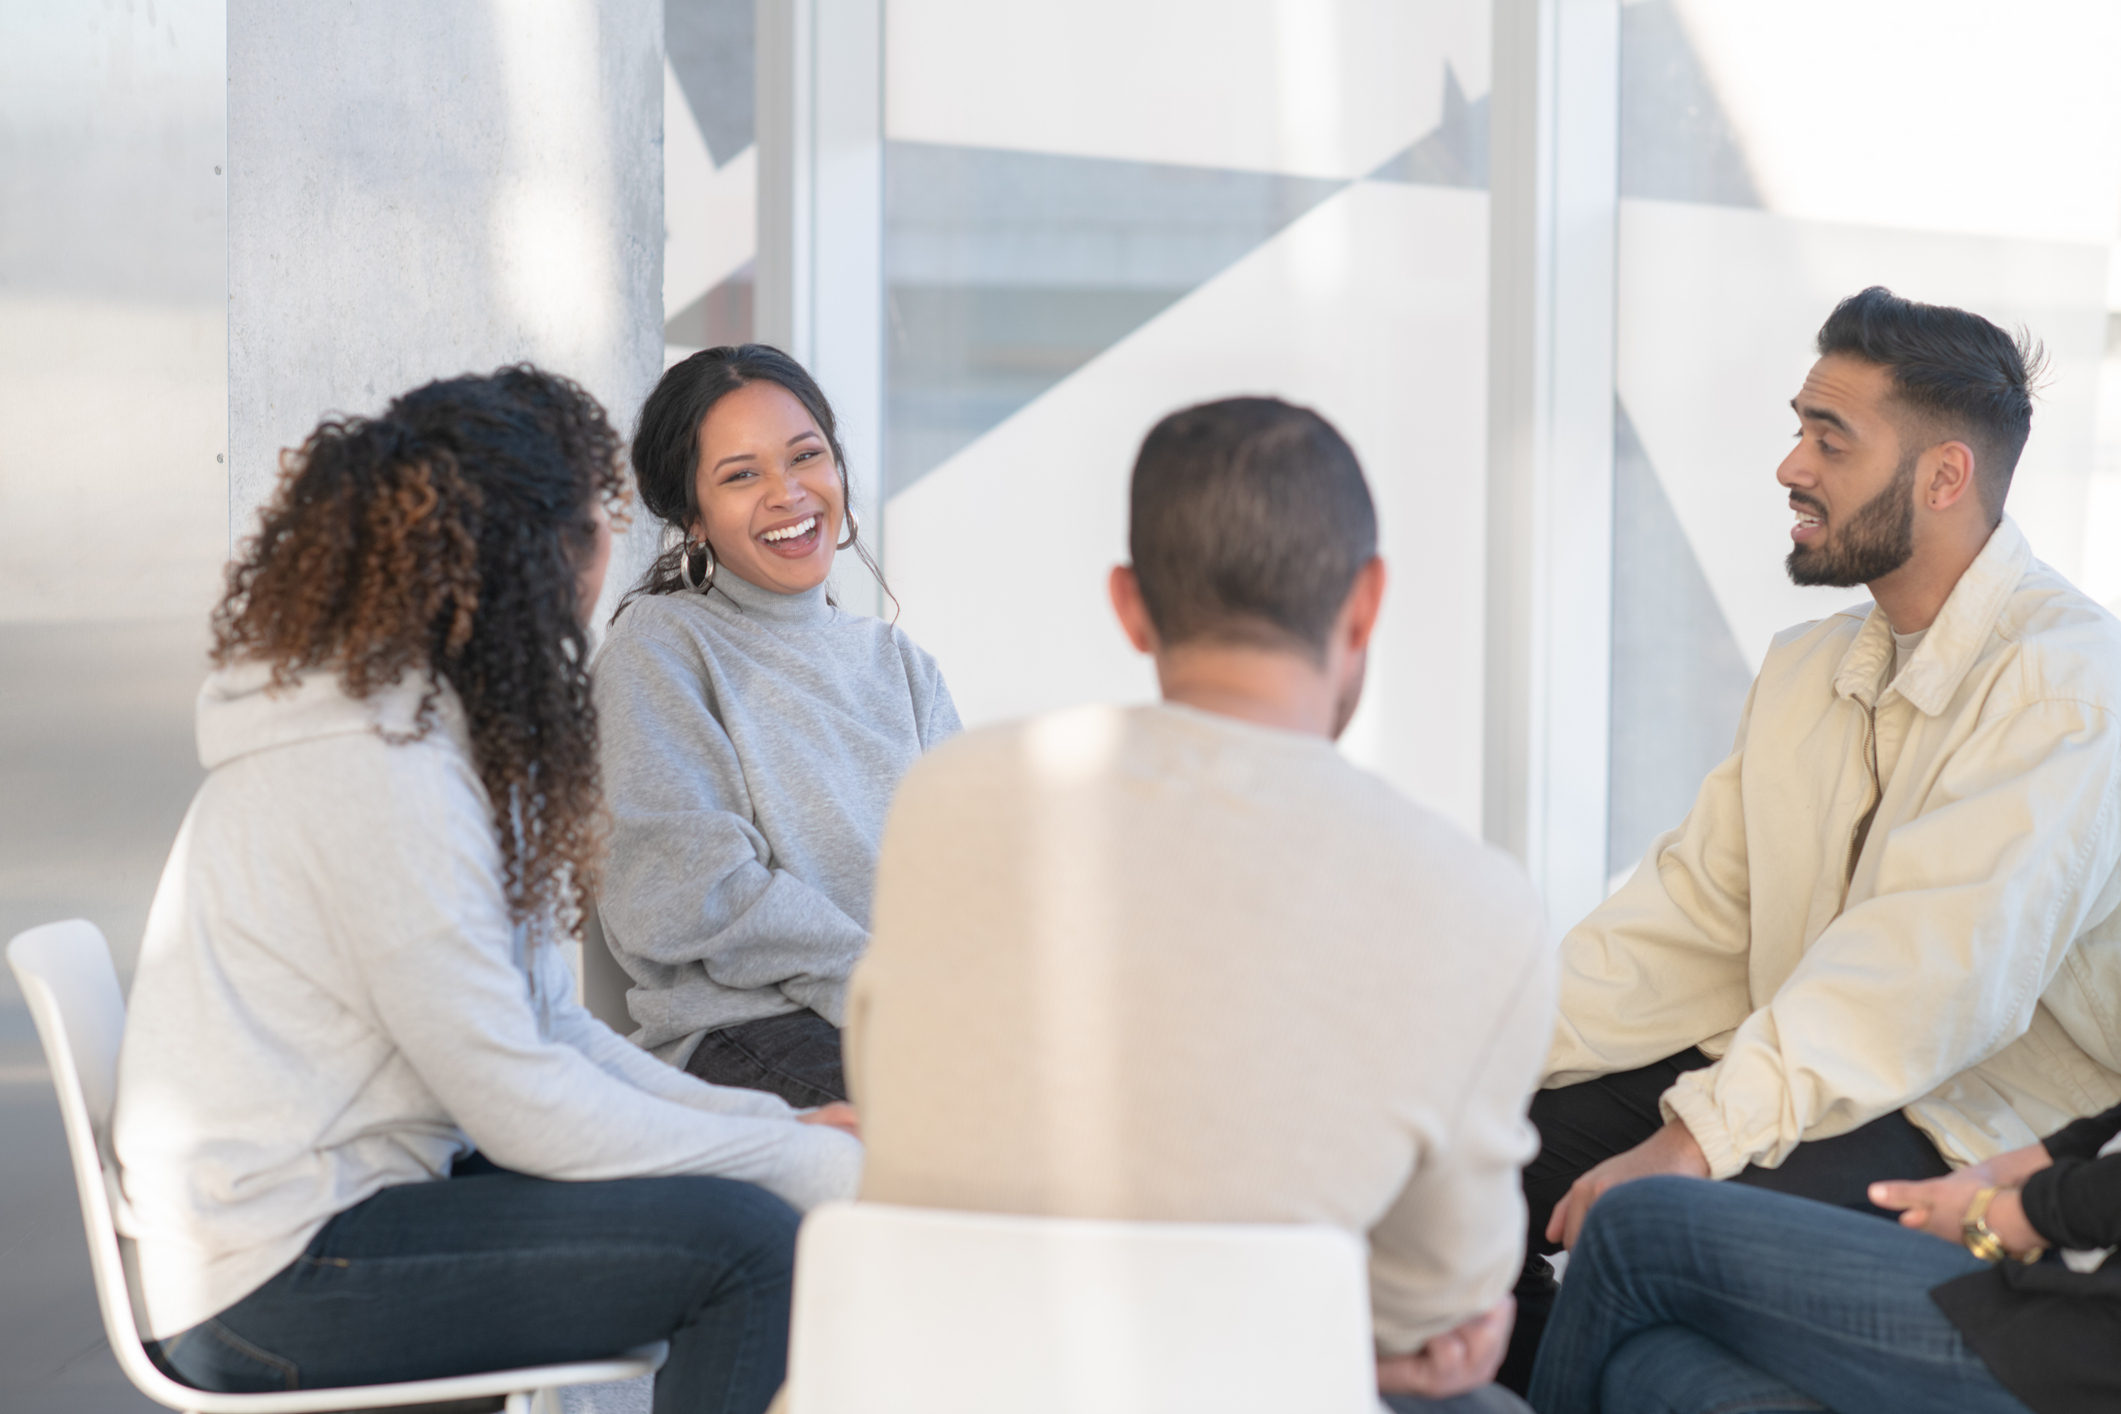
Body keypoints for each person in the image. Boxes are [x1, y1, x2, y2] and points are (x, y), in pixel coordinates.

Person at [112, 368, 861, 1414]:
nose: (608, 552)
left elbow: (552, 1029)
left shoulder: (425, 732)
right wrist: (785, 1157)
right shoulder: (379, 773)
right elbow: (519, 1103)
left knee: (751, 1200)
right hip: (268, 1276)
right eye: (596, 523)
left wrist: (782, 1130)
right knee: (749, 1247)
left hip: (346, 1204)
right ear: (536, 556)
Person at [844, 397, 1555, 1412]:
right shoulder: (1477, 904)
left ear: (1129, 605)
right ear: (1366, 603)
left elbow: (896, 1107)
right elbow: (1438, 1311)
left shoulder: (949, 795)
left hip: (925, 1379)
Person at [1500, 286, 2121, 1389]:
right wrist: (1481, 1062)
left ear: (1943, 477)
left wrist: (1699, 1135)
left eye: (1831, 441)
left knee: (1658, 1222)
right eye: (1800, 430)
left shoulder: (2068, 688)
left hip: (1966, 1123)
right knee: (1481, 1155)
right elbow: (1685, 922)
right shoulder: (1808, 669)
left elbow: (1924, 983)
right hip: (1798, 1069)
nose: (1792, 466)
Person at [594, 345, 959, 1107]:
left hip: (916, 1018)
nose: (787, 494)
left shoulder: (898, 663)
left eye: (805, 456)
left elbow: (973, 874)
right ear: (691, 516)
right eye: (740, 475)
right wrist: (888, 992)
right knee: (978, 1126)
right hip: (748, 1032)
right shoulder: (659, 645)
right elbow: (690, 893)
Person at [1526, 1097, 2121, 1413]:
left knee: (1636, 1224)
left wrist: (2005, 1215)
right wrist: (2028, 1163)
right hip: (2066, 1278)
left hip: (2082, 1352)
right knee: (1648, 1374)